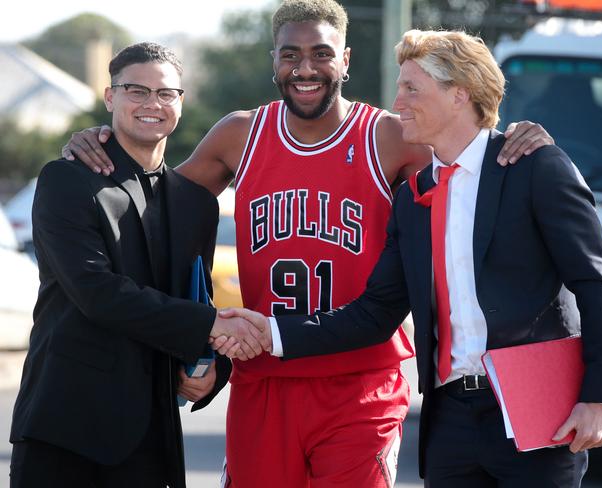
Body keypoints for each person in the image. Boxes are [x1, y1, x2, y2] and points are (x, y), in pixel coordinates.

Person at [62, 2, 553, 486]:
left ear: (345, 59)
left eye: (321, 53)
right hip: (264, 374)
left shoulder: (390, 136)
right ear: (273, 60)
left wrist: (517, 138)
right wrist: (102, 142)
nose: (304, 68)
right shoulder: (240, 134)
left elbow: (472, 166)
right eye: (290, 55)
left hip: (360, 378)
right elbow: (152, 209)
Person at [224, 29, 602, 487]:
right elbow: (375, 313)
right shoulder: (413, 197)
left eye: (412, 88)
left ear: (460, 94)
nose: (397, 102)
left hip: (537, 408)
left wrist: (600, 397)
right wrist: (272, 331)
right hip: (450, 419)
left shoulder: (535, 166)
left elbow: (596, 284)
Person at [9, 42, 266, 488]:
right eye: (135, 90)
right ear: (110, 97)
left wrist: (213, 371)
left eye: (165, 93)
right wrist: (211, 325)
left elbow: (195, 296)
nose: (152, 104)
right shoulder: (67, 180)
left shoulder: (196, 205)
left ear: (181, 103)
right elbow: (96, 293)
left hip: (152, 437)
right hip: (65, 430)